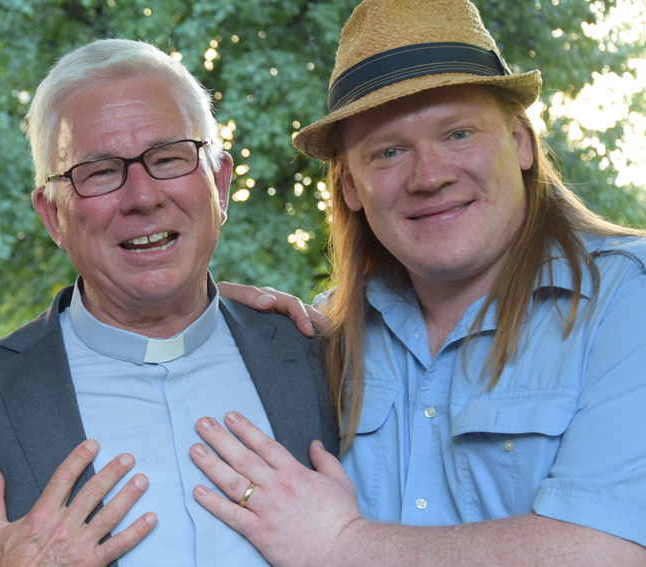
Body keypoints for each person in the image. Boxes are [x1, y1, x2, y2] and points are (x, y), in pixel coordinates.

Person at [188, 0, 646, 565]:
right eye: (389, 151)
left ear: (522, 142)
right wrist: (208, 323)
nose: (429, 176)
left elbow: (611, 551)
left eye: (457, 133)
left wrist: (340, 544)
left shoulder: (629, 300)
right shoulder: (327, 336)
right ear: (351, 186)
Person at [0, 38, 340, 567]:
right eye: (100, 172)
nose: (143, 197)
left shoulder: (325, 358)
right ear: (52, 215)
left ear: (220, 185)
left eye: (169, 158)